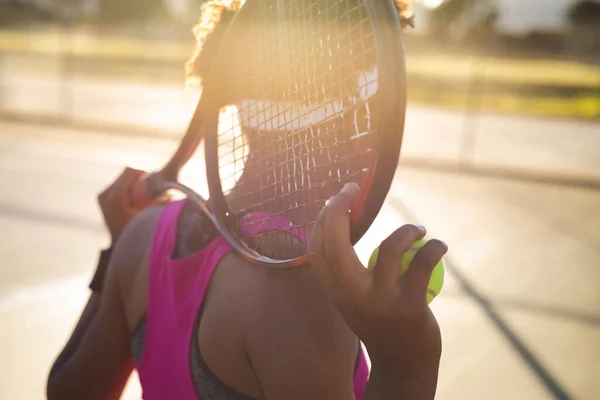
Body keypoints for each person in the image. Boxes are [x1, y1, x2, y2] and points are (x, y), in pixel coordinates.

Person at [48, 1, 446, 399]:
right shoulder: (301, 293)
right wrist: (406, 366)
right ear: (363, 120)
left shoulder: (144, 234)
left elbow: (69, 390)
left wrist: (117, 246)